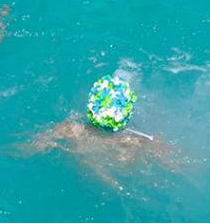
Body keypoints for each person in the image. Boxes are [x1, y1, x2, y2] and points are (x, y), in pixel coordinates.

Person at [17, 72, 178, 188]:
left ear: (90, 107)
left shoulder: (70, 129)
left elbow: (29, 147)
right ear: (128, 114)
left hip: (79, 183)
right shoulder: (140, 141)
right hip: (120, 186)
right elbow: (177, 166)